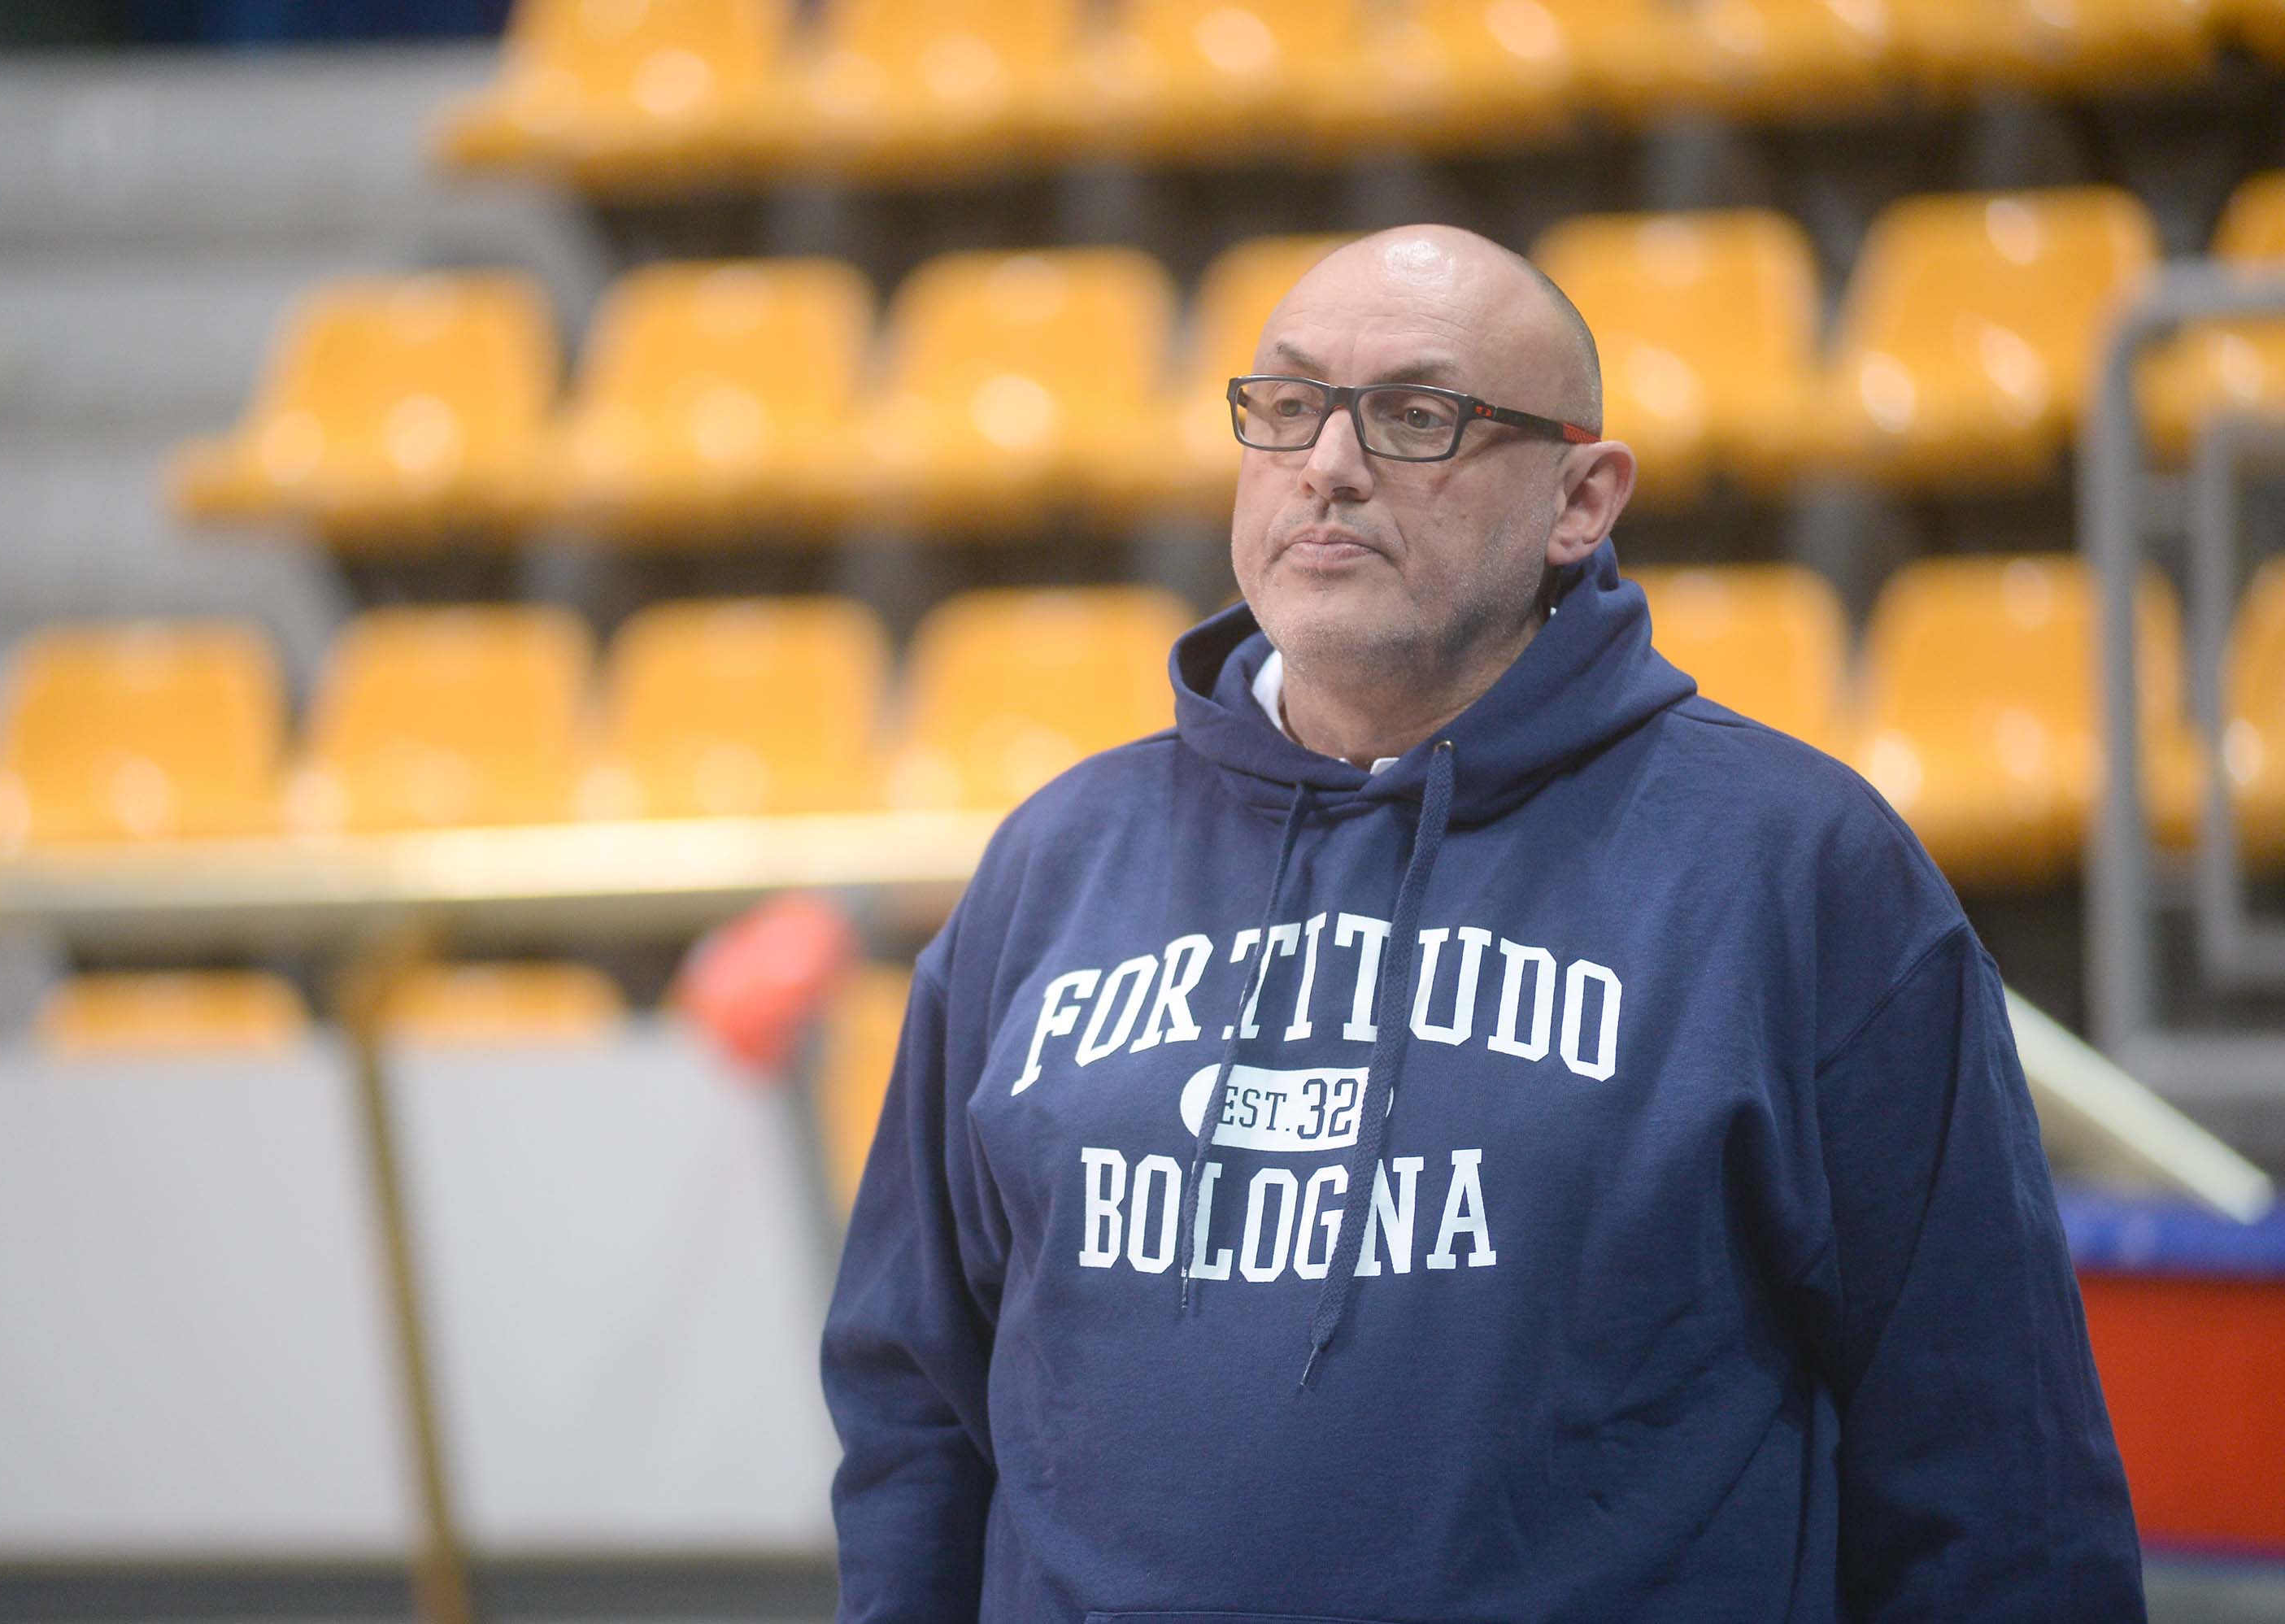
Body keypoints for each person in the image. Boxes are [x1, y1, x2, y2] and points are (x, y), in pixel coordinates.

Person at [820, 224, 2144, 1622]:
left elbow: (2000, 1467)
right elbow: (915, 1407)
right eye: (1285, 408)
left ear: (1582, 497)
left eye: (1416, 417)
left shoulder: (1794, 867)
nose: (1329, 464)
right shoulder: (1052, 864)